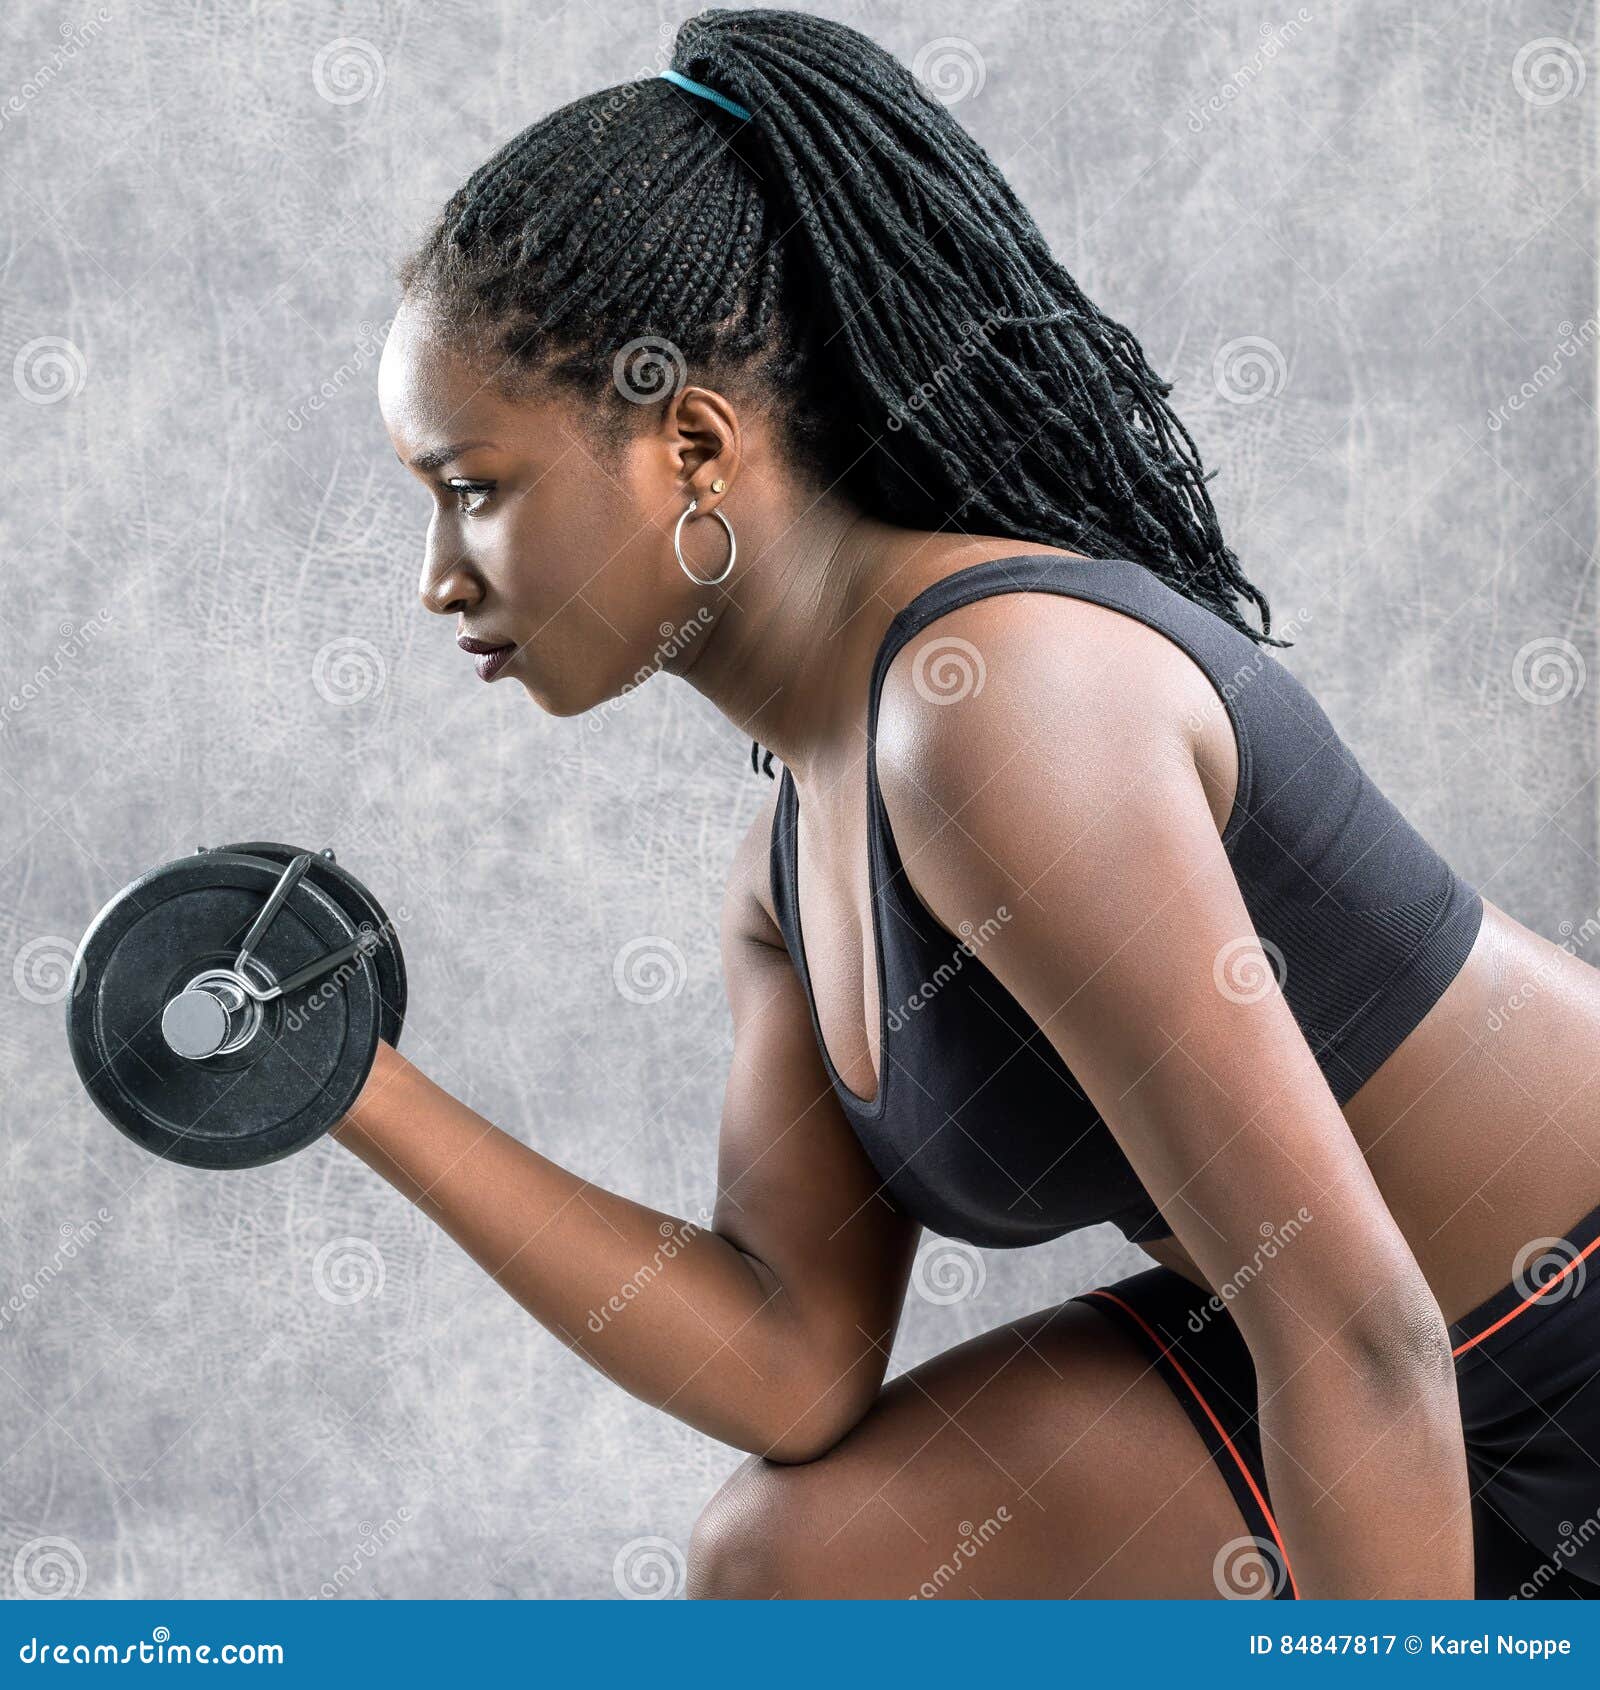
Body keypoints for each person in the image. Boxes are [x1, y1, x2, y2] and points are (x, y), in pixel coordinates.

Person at [344, 8, 1600, 1599]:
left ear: (692, 444)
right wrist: (349, 1081)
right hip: (1358, 1365)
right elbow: (790, 1357)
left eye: (476, 488)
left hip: (1480, 1332)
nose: (439, 577)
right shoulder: (791, 859)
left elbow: (1357, 1332)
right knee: (797, 1568)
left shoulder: (997, 709)